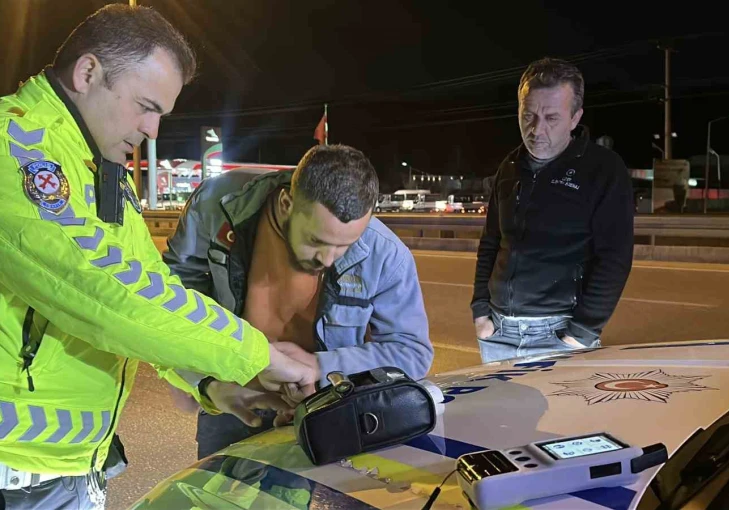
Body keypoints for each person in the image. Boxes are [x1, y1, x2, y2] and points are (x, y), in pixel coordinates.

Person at [0, 5, 315, 509]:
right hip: (13, 474)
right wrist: (256, 354)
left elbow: (149, 289)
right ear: (88, 73)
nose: (151, 131)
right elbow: (105, 293)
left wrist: (211, 384)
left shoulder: (101, 169)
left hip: (70, 468)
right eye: (146, 106)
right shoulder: (14, 147)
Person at [162, 143, 434, 458]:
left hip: (325, 407)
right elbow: (171, 298)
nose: (328, 259)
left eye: (345, 245)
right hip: (233, 396)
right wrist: (201, 381)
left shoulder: (386, 254)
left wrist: (319, 366)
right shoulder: (217, 206)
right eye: (316, 241)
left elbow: (412, 352)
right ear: (286, 203)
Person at [471, 57, 634, 363]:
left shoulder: (602, 170)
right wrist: (480, 309)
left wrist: (583, 330)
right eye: (528, 115)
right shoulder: (509, 166)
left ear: (575, 118)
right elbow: (491, 241)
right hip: (497, 332)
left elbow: (615, 257)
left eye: (551, 118)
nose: (536, 129)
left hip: (560, 335)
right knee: (498, 412)